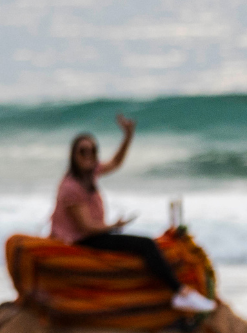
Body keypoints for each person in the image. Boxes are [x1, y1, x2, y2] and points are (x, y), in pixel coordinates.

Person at [50, 115, 213, 314]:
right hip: (82, 241)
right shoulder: (71, 187)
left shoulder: (90, 174)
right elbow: (86, 228)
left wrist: (128, 135)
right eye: (82, 151)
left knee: (146, 244)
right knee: (145, 244)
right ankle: (180, 292)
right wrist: (114, 225)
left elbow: (116, 162)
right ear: (73, 155)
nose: (88, 155)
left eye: (92, 151)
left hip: (96, 235)